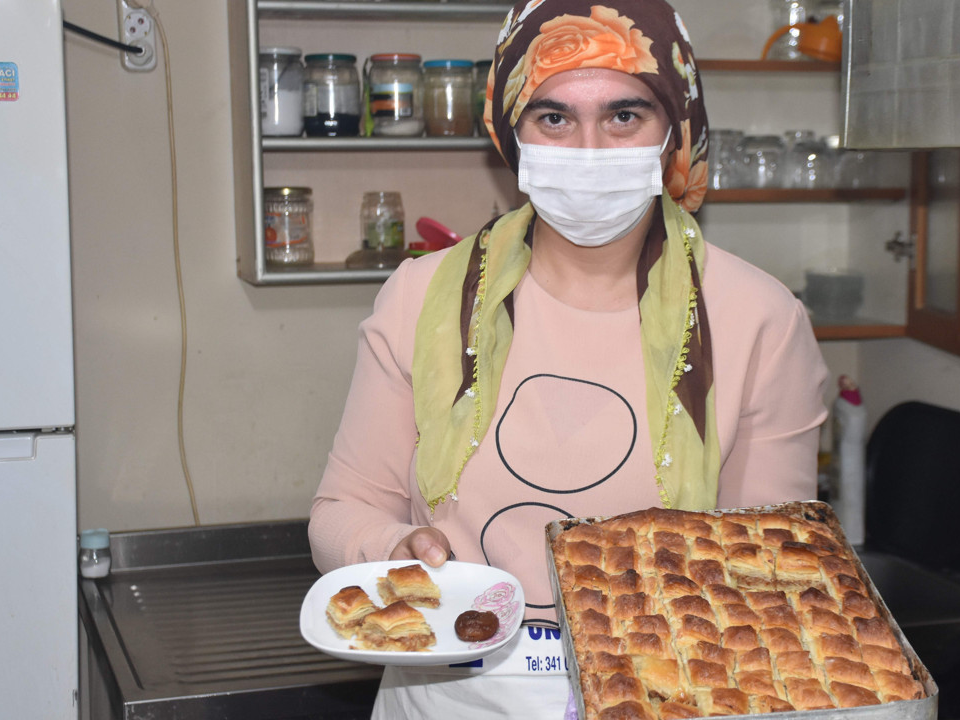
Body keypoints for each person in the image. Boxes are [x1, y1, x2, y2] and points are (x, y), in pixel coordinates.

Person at [309, 0, 828, 716]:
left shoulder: (759, 319)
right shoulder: (422, 298)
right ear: (510, 133)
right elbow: (343, 509)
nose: (589, 148)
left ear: (674, 132)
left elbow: (771, 574)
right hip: (448, 694)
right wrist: (397, 547)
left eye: (624, 116)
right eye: (553, 117)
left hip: (665, 690)